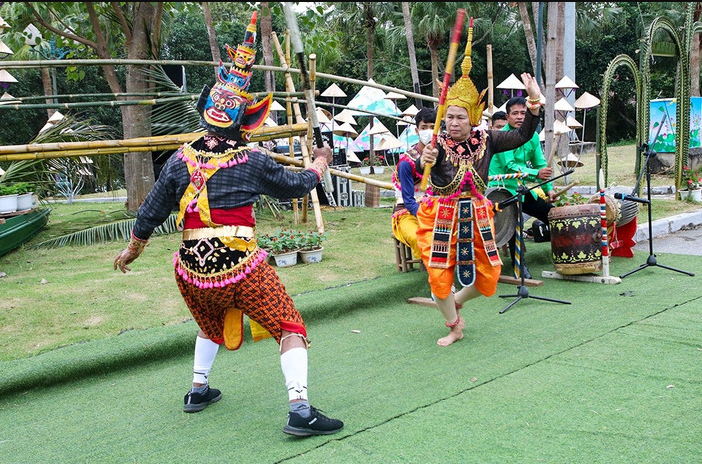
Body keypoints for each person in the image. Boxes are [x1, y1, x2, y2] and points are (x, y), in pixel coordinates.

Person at [112, 12, 343, 437]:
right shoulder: (251, 159)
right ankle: (300, 410)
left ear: (206, 113)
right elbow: (296, 187)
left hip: (191, 271)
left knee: (209, 322)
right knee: (290, 327)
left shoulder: (181, 157)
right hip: (239, 268)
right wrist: (320, 164)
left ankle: (198, 389)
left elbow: (153, 210)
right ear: (246, 122)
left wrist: (133, 248)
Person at [414, 27, 543, 347]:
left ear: (473, 117)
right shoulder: (437, 144)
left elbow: (522, 136)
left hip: (477, 213)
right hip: (440, 216)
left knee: (489, 277)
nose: (453, 123)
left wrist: (534, 100)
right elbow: (421, 166)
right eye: (449, 118)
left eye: (459, 118)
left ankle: (457, 301)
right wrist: (424, 158)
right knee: (438, 278)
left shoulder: (487, 139)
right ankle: (454, 325)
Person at [488, 96, 556, 279]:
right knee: (514, 221)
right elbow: (510, 166)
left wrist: (549, 189)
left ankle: (564, 255)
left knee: (553, 215)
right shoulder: (501, 136)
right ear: (508, 116)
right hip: (499, 192)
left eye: (523, 113)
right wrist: (535, 174)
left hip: (521, 190)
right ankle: (520, 265)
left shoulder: (533, 137)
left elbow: (541, 164)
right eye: (515, 113)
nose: (519, 117)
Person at [391, 106, 436, 259]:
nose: (428, 131)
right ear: (417, 131)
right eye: (424, 127)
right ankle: (437, 276)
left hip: (437, 209)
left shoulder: (445, 157)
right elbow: (409, 201)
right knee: (419, 237)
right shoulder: (406, 162)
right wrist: (425, 218)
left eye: (432, 127)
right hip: (407, 212)